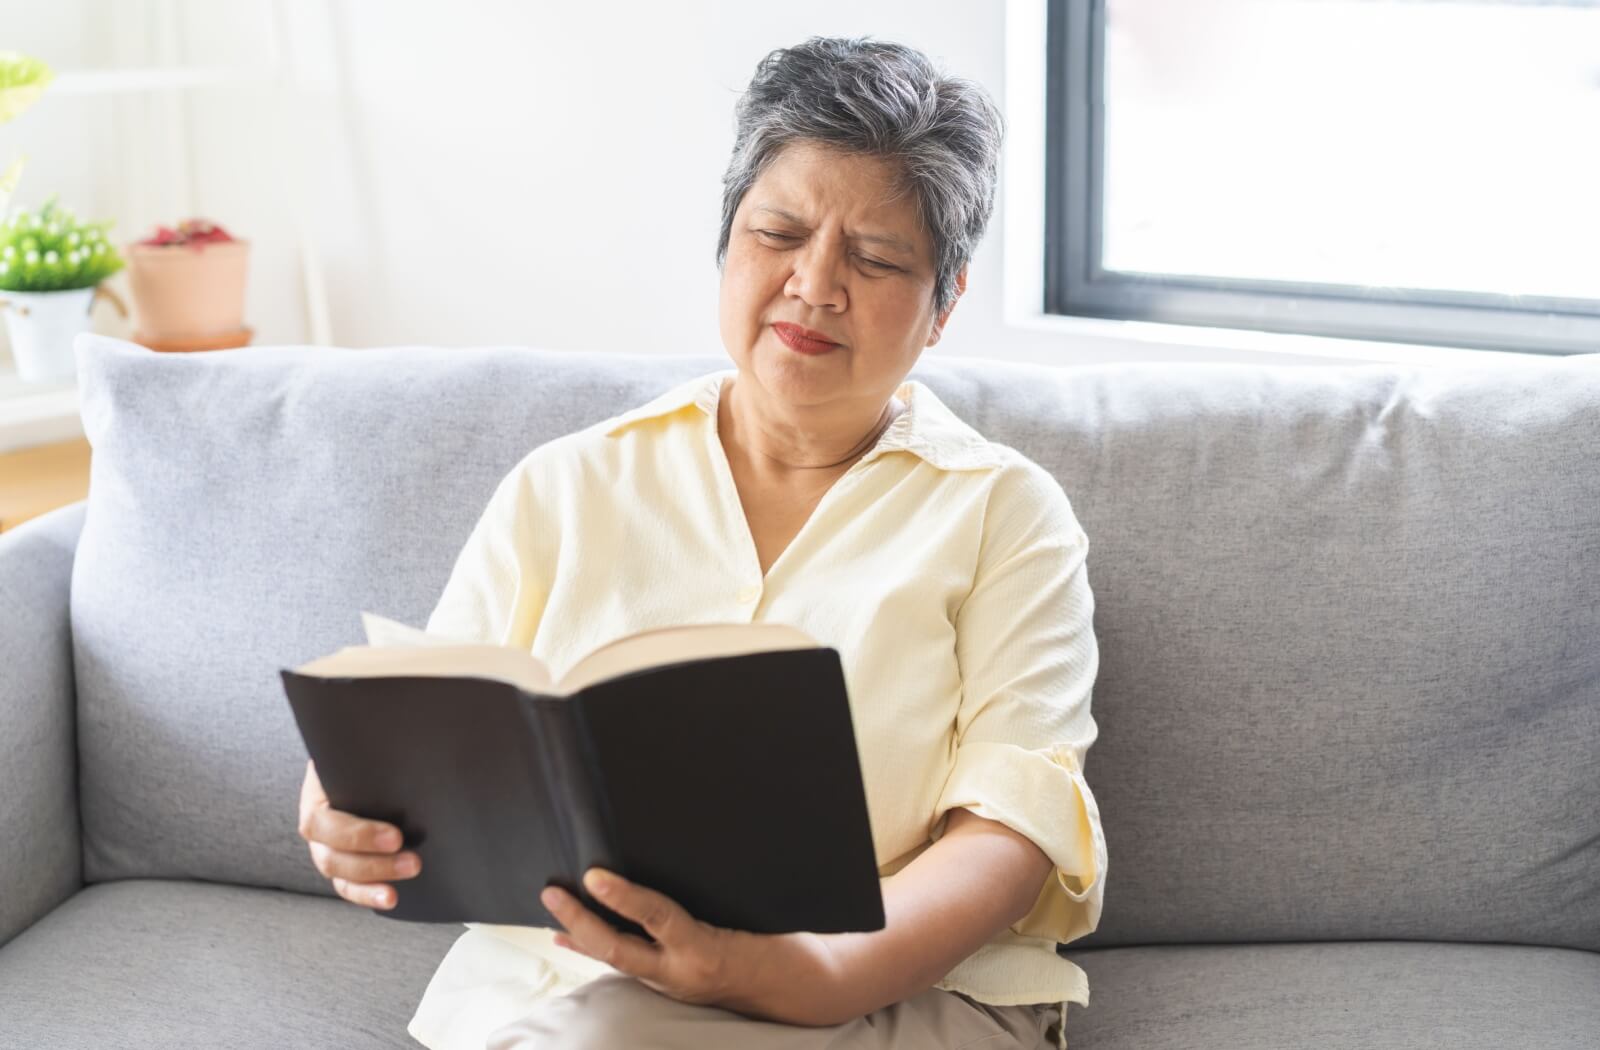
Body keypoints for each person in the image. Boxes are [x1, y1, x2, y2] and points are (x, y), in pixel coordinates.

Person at [297, 34, 1106, 1050]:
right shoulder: (569, 485)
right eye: (779, 233)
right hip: (575, 982)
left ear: (942, 304)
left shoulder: (1005, 514)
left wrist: (814, 974)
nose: (813, 286)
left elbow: (1010, 826)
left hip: (896, 989)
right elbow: (435, 728)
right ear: (727, 241)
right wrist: (353, 799)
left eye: (874, 257)